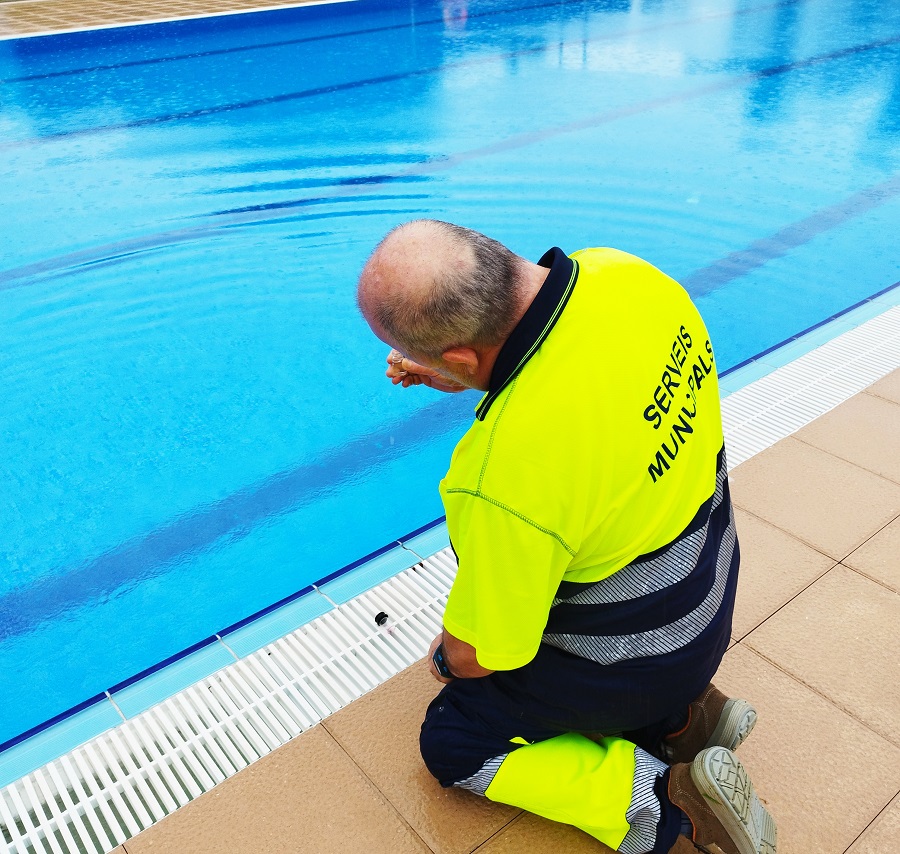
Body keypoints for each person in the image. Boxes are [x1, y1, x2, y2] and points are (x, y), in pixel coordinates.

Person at [356, 219, 776, 854]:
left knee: (453, 738)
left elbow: (487, 651)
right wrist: (470, 371)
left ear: (460, 357)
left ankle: (668, 806)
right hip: (710, 594)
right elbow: (586, 386)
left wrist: (445, 662)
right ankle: (683, 722)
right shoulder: (629, 275)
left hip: (645, 659)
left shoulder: (502, 475)